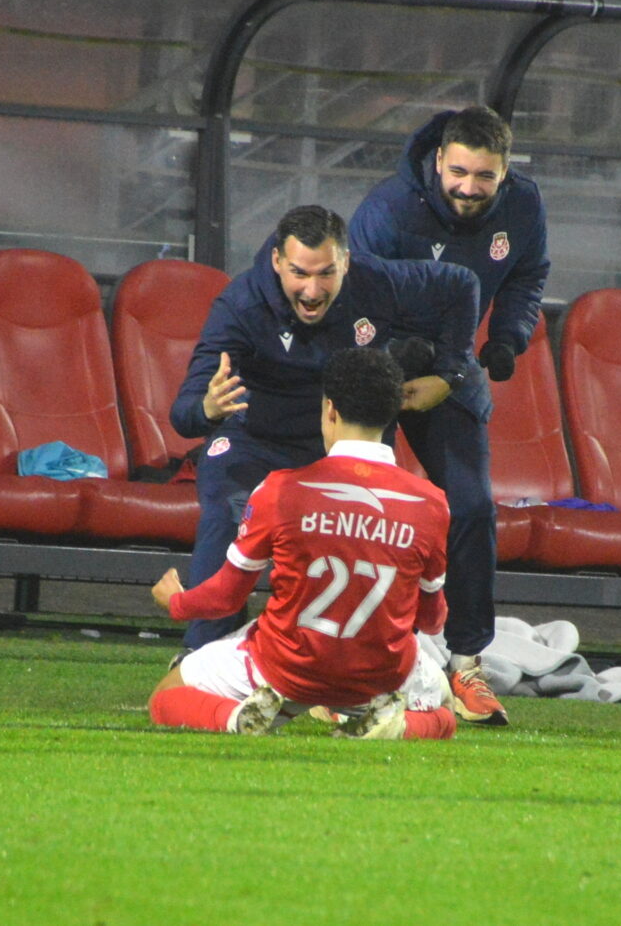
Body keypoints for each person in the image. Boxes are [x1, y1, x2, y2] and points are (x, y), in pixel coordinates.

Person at [171, 205, 506, 722]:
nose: (311, 289)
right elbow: (184, 413)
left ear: (347, 263)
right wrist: (207, 407)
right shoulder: (240, 304)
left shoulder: (378, 281)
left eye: (326, 273)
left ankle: (435, 668)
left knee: (442, 514)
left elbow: (461, 285)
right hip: (254, 438)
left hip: (340, 441)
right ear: (279, 262)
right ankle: (203, 659)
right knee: (225, 510)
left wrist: (450, 371)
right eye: (300, 273)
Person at [348, 105, 545, 722]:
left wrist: (508, 337)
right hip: (375, 362)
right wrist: (391, 367)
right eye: (458, 172)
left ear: (505, 172)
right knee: (356, 505)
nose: (468, 187)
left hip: (453, 366)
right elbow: (351, 299)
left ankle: (465, 663)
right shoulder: (387, 211)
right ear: (438, 161)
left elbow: (527, 276)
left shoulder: (523, 206)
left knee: (473, 506)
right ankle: (344, 665)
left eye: (484, 177)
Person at [149, 347, 458, 739]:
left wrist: (175, 602)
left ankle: (235, 717)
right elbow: (431, 619)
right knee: (445, 712)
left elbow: (225, 598)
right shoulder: (432, 503)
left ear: (330, 409)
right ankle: (398, 727)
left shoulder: (280, 489)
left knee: (165, 696)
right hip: (379, 674)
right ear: (392, 413)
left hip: (285, 669)